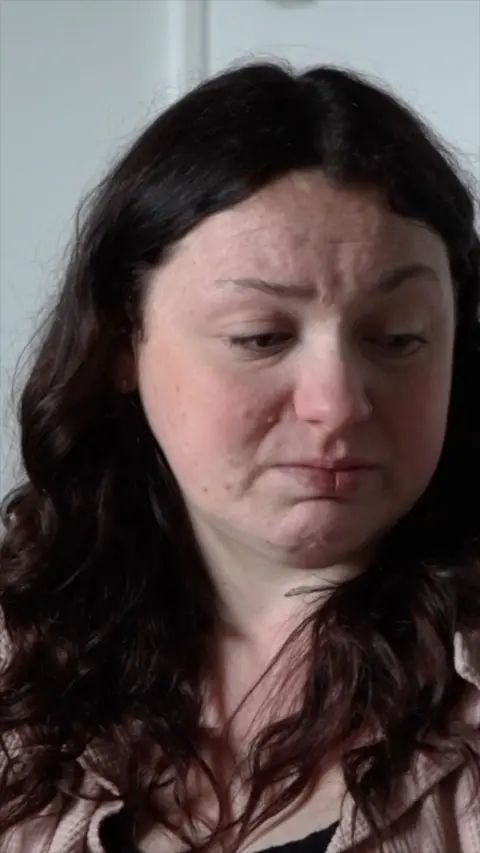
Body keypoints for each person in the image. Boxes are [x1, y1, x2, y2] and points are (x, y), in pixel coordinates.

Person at [0, 60, 479, 853]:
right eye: (260, 336)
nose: (337, 403)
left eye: (398, 338)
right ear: (124, 343)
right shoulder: (21, 659)